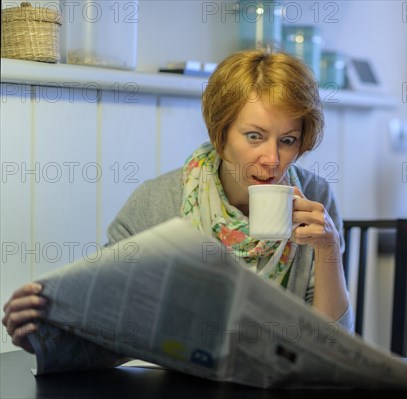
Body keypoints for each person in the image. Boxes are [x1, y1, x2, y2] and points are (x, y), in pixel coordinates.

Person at [2, 48, 353, 353]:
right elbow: (102, 320)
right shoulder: (157, 203)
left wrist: (329, 251)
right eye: (254, 136)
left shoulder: (315, 199)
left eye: (288, 140)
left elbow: (333, 346)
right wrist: (41, 334)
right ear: (221, 135)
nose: (272, 159)